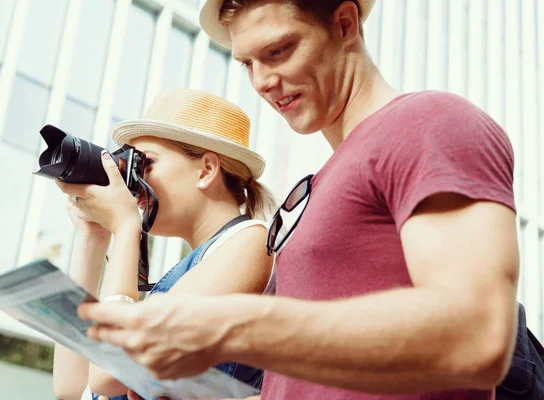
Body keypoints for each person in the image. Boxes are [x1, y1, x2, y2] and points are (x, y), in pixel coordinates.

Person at [77, 1, 521, 399]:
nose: (263, 81)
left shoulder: (429, 122)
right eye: (247, 63)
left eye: (279, 51)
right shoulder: (317, 187)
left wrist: (228, 326)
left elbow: (477, 334)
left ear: (345, 24)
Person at [52, 88, 276, 400]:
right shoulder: (196, 268)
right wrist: (93, 237)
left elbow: (111, 375)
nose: (135, 182)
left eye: (147, 164)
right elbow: (72, 388)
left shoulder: (250, 242)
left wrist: (126, 227)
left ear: (207, 170)